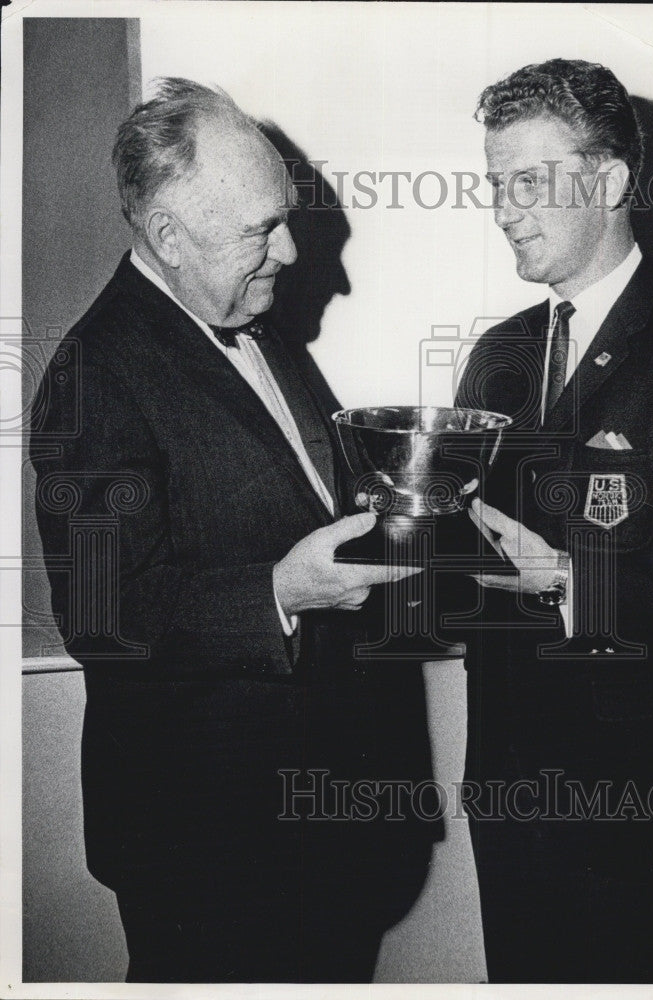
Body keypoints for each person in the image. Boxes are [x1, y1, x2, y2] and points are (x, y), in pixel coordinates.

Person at [30, 78, 438, 984]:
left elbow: (287, 507)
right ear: (168, 238)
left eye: (283, 218)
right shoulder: (92, 375)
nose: (289, 251)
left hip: (324, 839)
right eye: (259, 230)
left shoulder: (255, 320)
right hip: (209, 852)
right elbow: (99, 615)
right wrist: (277, 595)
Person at [455, 59, 653, 984]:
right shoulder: (498, 356)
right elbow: (476, 555)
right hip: (508, 789)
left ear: (611, 181)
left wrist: (572, 584)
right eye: (493, 183)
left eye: (526, 182)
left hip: (643, 812)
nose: (502, 208)